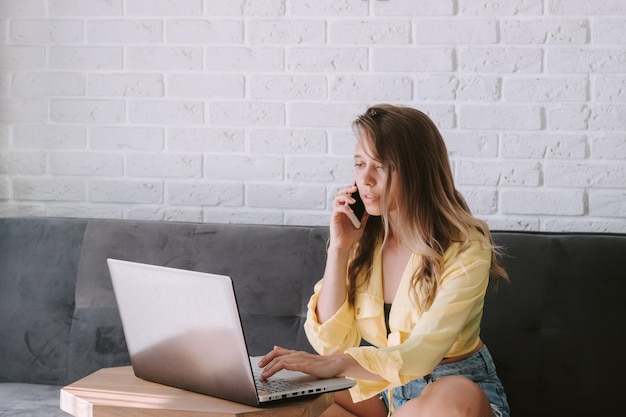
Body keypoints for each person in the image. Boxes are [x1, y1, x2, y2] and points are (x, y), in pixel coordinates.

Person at [258, 104, 510, 417]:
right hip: (388, 394)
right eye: (359, 164)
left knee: (451, 394)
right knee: (290, 386)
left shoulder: (467, 246)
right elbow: (332, 344)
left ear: (417, 170)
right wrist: (339, 249)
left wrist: (337, 364)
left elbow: (424, 351)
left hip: (455, 393)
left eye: (381, 166)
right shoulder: (365, 241)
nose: (366, 179)